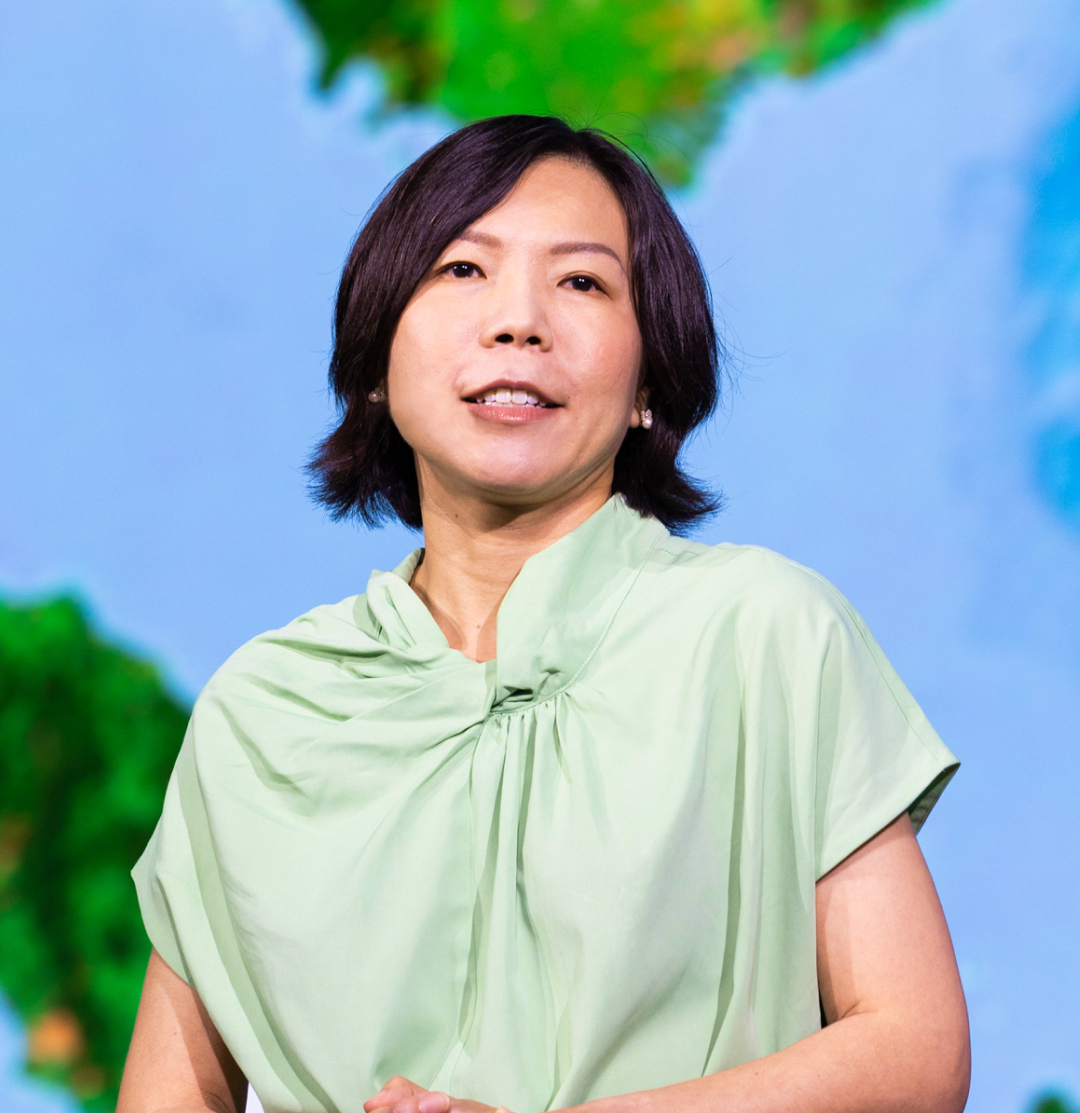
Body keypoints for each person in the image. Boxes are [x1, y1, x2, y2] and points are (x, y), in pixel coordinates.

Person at [117, 115, 969, 1113]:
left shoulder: (765, 632)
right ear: (378, 357)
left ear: (651, 378)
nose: (519, 320)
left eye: (582, 282)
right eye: (463, 271)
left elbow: (913, 1053)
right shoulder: (259, 709)